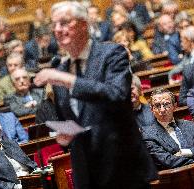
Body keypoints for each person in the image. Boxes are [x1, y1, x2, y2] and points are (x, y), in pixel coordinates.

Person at [34, 1, 157, 188]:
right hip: (87, 174)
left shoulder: (111, 53)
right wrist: (65, 137)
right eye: (55, 24)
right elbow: (73, 119)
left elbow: (116, 94)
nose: (58, 29)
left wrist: (68, 80)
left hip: (123, 168)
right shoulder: (60, 68)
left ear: (83, 23)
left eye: (64, 22)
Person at [141, 88, 194, 170]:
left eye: (166, 104)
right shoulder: (148, 134)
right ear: (152, 109)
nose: (162, 110)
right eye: (157, 106)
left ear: (174, 106)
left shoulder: (189, 125)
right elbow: (168, 161)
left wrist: (184, 152)